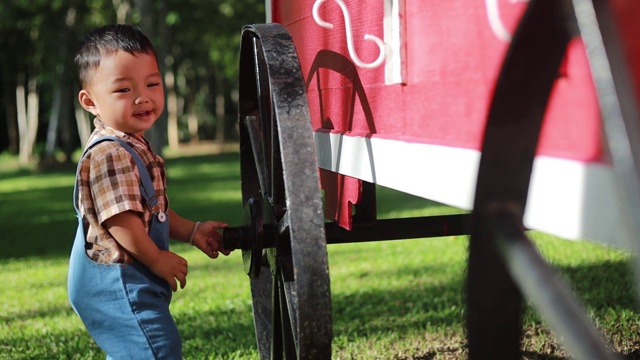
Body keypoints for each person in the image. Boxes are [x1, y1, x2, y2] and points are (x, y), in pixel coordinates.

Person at [67, 24, 230, 359]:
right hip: (118, 283)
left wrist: (192, 230)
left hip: (127, 277)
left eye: (152, 84)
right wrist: (156, 258)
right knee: (155, 348)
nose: (143, 97)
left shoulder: (132, 145)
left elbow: (149, 210)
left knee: (136, 350)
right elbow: (121, 221)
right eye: (124, 90)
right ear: (90, 101)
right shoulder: (110, 153)